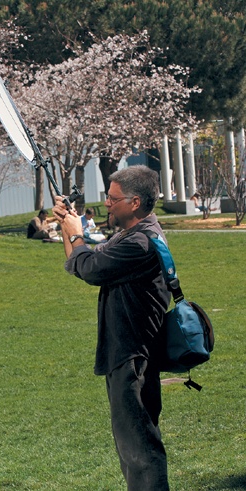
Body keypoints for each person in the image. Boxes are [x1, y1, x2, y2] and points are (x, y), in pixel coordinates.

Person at [53, 165, 171, 491]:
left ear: (134, 203)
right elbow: (82, 264)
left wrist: (77, 233)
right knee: (130, 448)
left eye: (112, 198)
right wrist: (68, 226)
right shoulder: (128, 236)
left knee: (141, 449)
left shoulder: (141, 242)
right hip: (125, 354)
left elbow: (91, 268)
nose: (106, 203)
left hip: (134, 357)